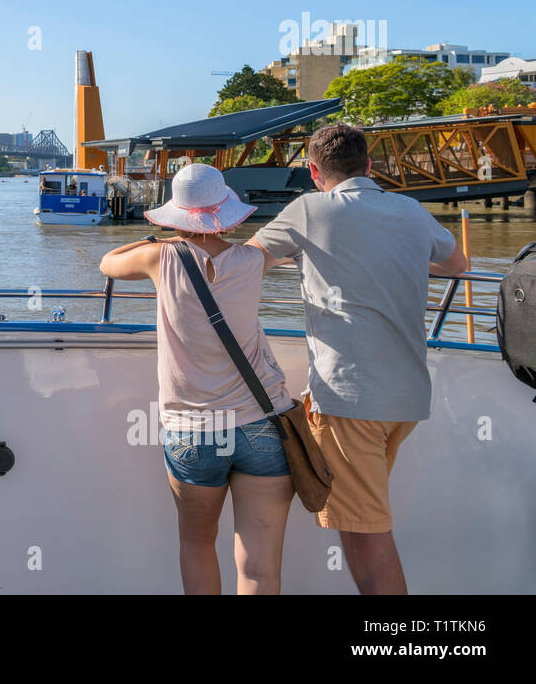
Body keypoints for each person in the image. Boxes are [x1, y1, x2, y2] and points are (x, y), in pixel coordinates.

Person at [246, 123, 468, 595]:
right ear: (369, 165)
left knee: (366, 536)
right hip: (406, 398)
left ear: (313, 172)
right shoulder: (409, 209)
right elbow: (457, 264)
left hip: (352, 399)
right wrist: (396, 258)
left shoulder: (309, 210)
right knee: (359, 521)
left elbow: (246, 263)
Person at [100, 163, 295, 595]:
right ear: (227, 210)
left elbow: (107, 262)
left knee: (196, 543)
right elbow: (291, 251)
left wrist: (159, 238)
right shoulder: (252, 260)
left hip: (193, 431)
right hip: (260, 423)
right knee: (260, 565)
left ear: (177, 216)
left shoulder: (159, 257)